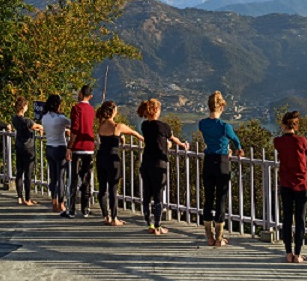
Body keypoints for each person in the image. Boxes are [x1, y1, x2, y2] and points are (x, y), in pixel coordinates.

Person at [198, 91, 244, 247]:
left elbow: (211, 139)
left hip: (208, 162)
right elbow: (236, 140)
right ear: (222, 107)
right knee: (221, 200)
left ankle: (209, 236)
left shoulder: (202, 124)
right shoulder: (225, 126)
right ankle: (219, 238)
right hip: (223, 163)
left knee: (208, 199)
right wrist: (237, 149)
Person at [137, 98, 189, 235]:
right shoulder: (164, 127)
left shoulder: (144, 126)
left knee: (147, 194)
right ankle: (158, 225)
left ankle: (150, 225)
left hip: (146, 162)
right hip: (159, 163)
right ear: (156, 110)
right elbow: (172, 139)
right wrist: (181, 145)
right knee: (158, 195)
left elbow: (154, 140)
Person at [274, 110, 307, 263]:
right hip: (302, 185)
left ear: (283, 125)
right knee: (300, 219)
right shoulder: (302, 141)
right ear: (296, 126)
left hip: (286, 184)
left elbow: (282, 148)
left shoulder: (278, 142)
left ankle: (288, 253)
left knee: (287, 218)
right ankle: (297, 254)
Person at [96, 101, 144, 226]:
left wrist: (119, 137)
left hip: (101, 157)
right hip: (113, 159)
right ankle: (114, 217)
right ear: (113, 111)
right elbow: (134, 133)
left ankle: (105, 215)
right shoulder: (118, 126)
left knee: (102, 188)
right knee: (113, 189)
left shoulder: (100, 125)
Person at [63, 85, 95, 218]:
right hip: (89, 148)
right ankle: (85, 208)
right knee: (86, 179)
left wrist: (70, 147)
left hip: (78, 148)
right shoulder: (92, 110)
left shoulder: (76, 109)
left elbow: (75, 129)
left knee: (74, 179)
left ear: (80, 93)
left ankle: (71, 210)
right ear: (91, 96)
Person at [41, 94, 71, 212]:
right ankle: (61, 203)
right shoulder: (61, 118)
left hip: (49, 147)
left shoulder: (44, 117)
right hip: (60, 147)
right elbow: (73, 125)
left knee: (53, 177)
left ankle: (53, 202)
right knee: (61, 177)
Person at [13, 96, 44, 206]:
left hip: (19, 146)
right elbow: (37, 125)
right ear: (24, 107)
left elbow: (30, 127)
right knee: (28, 174)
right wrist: (40, 128)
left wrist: (35, 128)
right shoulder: (27, 121)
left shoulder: (15, 119)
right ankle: (28, 198)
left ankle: (19, 197)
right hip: (29, 148)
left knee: (19, 173)